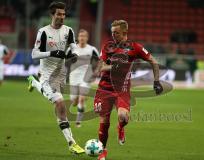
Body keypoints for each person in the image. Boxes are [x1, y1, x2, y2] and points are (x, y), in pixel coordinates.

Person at [93, 20, 163, 160]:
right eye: (112, 32)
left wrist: (156, 81)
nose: (113, 35)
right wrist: (115, 67)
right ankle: (102, 151)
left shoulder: (135, 47)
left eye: (116, 33)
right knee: (104, 121)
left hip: (122, 89)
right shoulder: (107, 46)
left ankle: (121, 127)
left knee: (123, 117)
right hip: (104, 89)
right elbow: (99, 69)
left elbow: (153, 61)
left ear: (125, 33)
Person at [27, 2, 84, 154]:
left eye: (64, 14)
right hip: (46, 74)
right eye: (59, 14)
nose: (62, 17)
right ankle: (72, 143)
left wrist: (74, 54)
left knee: (57, 103)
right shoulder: (44, 32)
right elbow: (34, 54)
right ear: (52, 15)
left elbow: (73, 47)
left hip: (60, 74)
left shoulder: (69, 30)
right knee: (59, 103)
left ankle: (33, 82)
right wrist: (51, 53)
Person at [67, 29, 99, 127]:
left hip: (86, 76)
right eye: (80, 36)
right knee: (74, 101)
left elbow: (99, 61)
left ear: (87, 38)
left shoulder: (92, 49)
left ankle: (78, 120)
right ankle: (79, 101)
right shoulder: (72, 49)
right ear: (78, 38)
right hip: (74, 76)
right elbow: (64, 61)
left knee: (81, 98)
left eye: (84, 36)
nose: (82, 38)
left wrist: (96, 71)